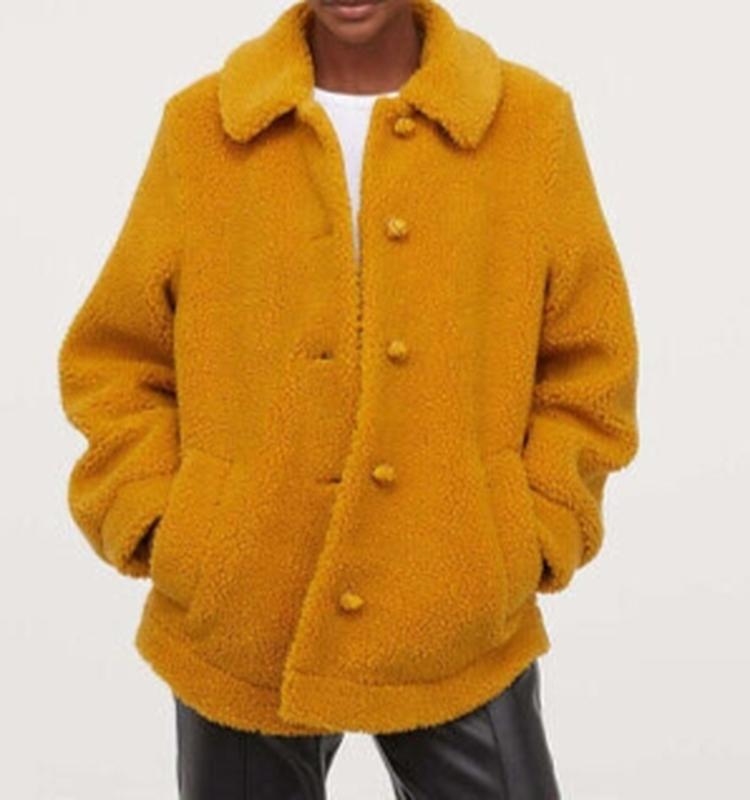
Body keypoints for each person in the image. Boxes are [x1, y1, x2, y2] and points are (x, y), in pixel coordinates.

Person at [57, 0, 640, 796]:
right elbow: (115, 357)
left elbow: (590, 361)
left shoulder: (529, 124)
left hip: (458, 610)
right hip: (245, 614)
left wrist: (525, 533)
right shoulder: (203, 128)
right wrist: (176, 529)